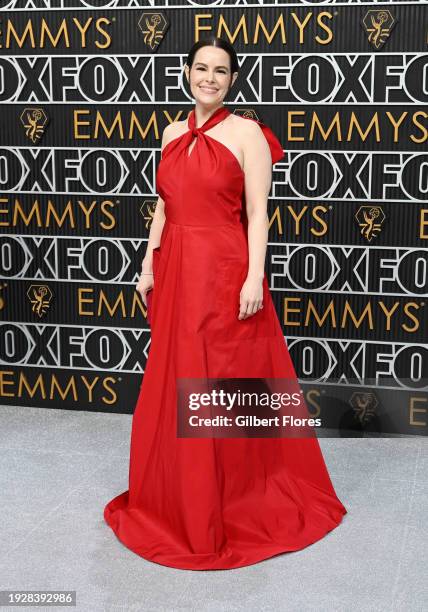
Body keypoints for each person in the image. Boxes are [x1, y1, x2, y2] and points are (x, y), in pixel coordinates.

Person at [104, 37, 347, 570]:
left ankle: (231, 500)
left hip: (223, 271)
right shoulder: (171, 132)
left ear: (232, 80)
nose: (208, 78)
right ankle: (183, 500)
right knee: (178, 380)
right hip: (177, 272)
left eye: (220, 71)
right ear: (188, 73)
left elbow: (258, 213)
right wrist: (148, 265)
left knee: (221, 384)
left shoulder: (248, 135)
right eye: (200, 68)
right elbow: (164, 209)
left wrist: (253, 278)